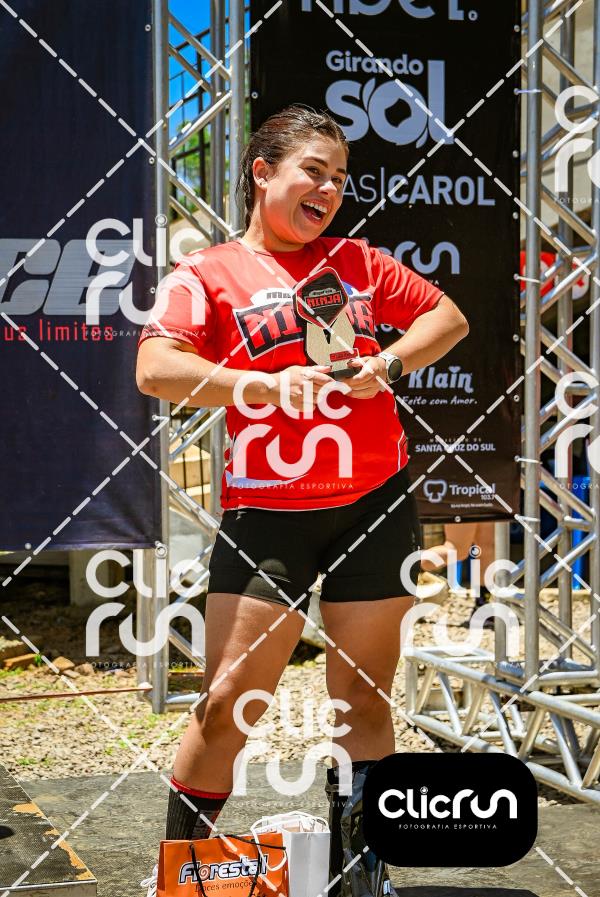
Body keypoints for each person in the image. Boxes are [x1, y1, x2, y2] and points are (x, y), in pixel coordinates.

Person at [136, 104, 469, 897]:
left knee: (363, 698)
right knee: (227, 704)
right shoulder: (208, 271)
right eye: (313, 171)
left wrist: (386, 363)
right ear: (263, 172)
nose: (329, 189)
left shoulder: (357, 261)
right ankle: (183, 876)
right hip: (269, 516)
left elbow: (447, 318)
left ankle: (362, 876)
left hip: (374, 505)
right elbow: (155, 367)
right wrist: (255, 383)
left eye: (340, 178)